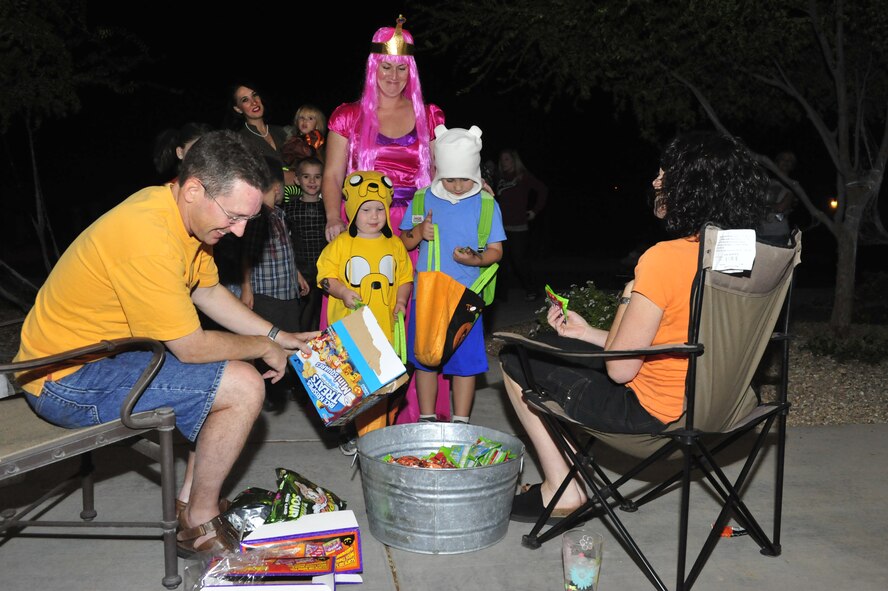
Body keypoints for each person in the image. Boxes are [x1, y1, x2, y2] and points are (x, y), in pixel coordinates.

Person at [13, 130, 317, 555]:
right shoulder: (147, 237)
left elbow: (207, 293)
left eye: (249, 219)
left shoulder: (183, 217)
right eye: (233, 216)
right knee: (242, 385)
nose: (239, 230)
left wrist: (277, 335)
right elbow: (190, 347)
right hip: (63, 379)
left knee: (224, 382)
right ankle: (198, 520)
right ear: (194, 188)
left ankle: (188, 504)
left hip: (99, 358)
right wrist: (260, 347)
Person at [500, 131, 770, 522]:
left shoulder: (663, 259)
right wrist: (588, 333)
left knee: (515, 358)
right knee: (551, 344)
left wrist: (630, 292)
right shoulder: (742, 257)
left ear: (693, 187)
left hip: (651, 415)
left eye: (666, 175)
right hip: (721, 405)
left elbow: (622, 368)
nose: (656, 181)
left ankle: (562, 488)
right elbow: (679, 338)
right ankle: (569, 478)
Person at [320, 15, 450, 425]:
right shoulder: (349, 116)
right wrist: (332, 218)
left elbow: (452, 167)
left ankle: (417, 419)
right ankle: (360, 417)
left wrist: (477, 186)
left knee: (414, 320)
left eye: (401, 68)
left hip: (417, 228)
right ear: (373, 67)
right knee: (357, 320)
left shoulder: (430, 115)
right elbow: (332, 175)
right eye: (386, 67)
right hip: (362, 229)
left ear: (409, 70)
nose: (393, 76)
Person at [400, 125, 505, 424]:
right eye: (450, 179)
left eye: (464, 179)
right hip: (426, 295)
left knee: (465, 365)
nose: (457, 185)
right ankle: (427, 418)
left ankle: (461, 422)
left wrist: (475, 259)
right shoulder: (422, 200)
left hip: (466, 299)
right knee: (425, 360)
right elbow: (404, 241)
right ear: (438, 172)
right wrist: (419, 232)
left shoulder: (486, 204)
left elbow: (496, 251)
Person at [316, 170, 413, 438]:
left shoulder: (394, 245)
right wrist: (343, 292)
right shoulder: (342, 244)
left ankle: (373, 437)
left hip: (385, 329)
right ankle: (355, 433)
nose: (374, 216)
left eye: (379, 209)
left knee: (381, 387)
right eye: (366, 209)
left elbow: (405, 278)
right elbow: (325, 277)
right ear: (353, 211)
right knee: (354, 385)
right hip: (351, 330)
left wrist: (402, 300)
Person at [240, 158, 311, 411]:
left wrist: (297, 275)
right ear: (278, 188)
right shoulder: (258, 218)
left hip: (287, 293)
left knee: (292, 339)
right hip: (266, 294)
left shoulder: (280, 215)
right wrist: (246, 286)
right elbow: (247, 253)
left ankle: (297, 386)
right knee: (268, 343)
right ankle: (269, 390)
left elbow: (286, 251)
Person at [496, 149, 548, 301]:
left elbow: (543, 190)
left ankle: (532, 290)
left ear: (513, 160)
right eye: (502, 159)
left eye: (506, 159)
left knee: (519, 261)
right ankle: (501, 296)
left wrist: (534, 211)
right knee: (500, 262)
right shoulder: (499, 177)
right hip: (500, 227)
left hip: (518, 226)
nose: (503, 162)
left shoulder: (522, 176)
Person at [284, 157, 327, 332]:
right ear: (297, 179)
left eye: (317, 177)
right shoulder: (289, 208)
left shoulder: (329, 208)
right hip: (301, 270)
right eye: (307, 177)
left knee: (322, 314)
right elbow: (284, 241)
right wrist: (295, 270)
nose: (312, 181)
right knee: (303, 316)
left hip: (326, 269)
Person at [229, 83, 295, 188]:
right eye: (245, 100)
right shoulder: (240, 140)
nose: (254, 102)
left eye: (254, 95)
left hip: (304, 200)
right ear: (238, 109)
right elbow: (257, 178)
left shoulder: (283, 132)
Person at [758, 150, 797, 245]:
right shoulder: (766, 181)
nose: (786, 162)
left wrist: (763, 206)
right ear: (776, 162)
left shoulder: (793, 185)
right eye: (783, 159)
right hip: (759, 231)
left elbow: (781, 207)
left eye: (789, 160)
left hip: (778, 234)